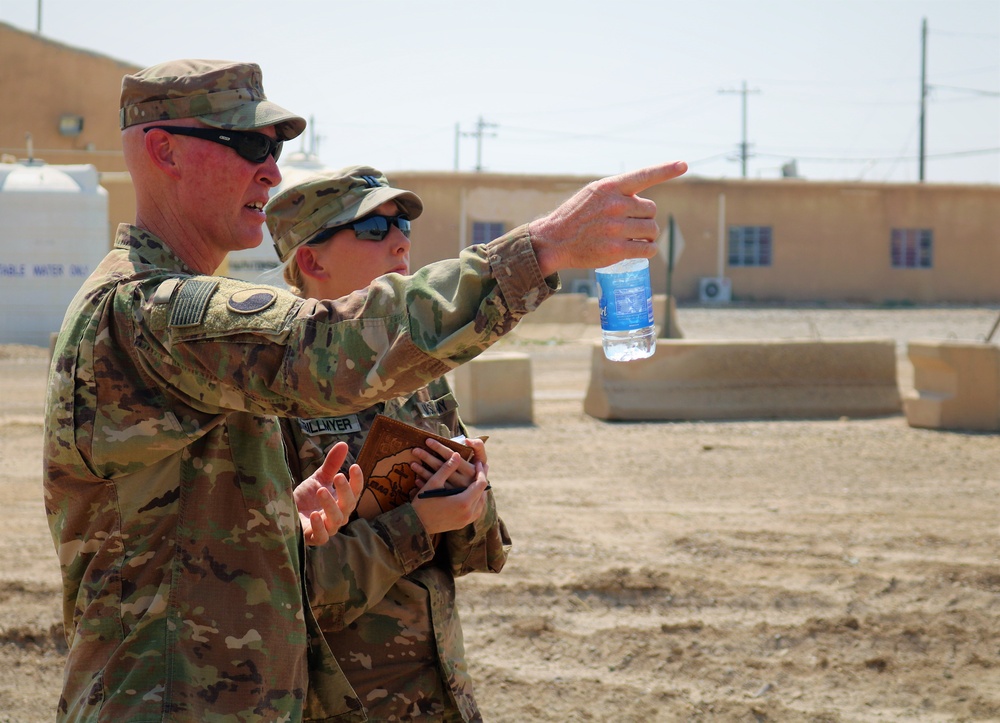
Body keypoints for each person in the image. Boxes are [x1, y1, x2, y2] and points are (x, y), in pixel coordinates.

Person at [42, 57, 686, 722]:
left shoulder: (173, 318)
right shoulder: (147, 309)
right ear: (164, 150)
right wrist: (543, 248)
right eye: (249, 145)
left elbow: (177, 542)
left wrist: (278, 518)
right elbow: (326, 346)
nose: (271, 168)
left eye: (278, 148)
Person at [267, 166, 507, 721]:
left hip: (443, 698)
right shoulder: (273, 394)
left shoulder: (416, 374)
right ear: (311, 260)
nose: (400, 240)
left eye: (401, 225)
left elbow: (477, 555)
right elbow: (279, 593)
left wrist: (472, 499)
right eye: (373, 229)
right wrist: (416, 525)